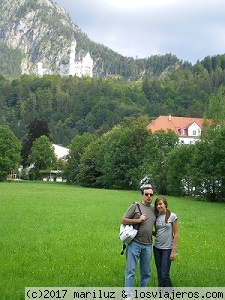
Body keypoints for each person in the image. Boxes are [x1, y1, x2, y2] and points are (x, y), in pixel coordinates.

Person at [121, 185, 156, 297]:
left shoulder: (154, 209)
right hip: (134, 243)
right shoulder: (135, 206)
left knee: (146, 273)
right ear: (142, 195)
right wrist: (138, 220)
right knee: (130, 271)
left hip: (148, 245)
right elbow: (123, 220)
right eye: (146, 194)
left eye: (151, 194)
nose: (149, 196)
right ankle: (128, 296)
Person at [153, 197, 179, 290]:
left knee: (164, 274)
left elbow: (176, 234)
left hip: (167, 249)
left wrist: (173, 251)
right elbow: (157, 233)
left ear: (165, 204)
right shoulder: (157, 217)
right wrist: (147, 231)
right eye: (157, 205)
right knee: (159, 273)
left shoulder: (172, 216)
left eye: (160, 204)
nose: (158, 206)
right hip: (156, 248)